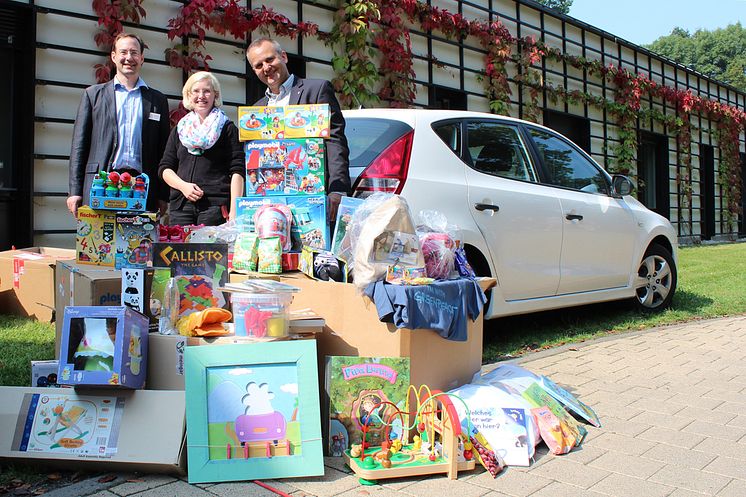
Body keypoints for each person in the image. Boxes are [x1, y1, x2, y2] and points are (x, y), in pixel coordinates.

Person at [246, 37, 351, 222]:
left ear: (284, 57)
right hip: (271, 202)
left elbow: (335, 140)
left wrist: (338, 189)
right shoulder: (257, 110)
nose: (266, 67)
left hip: (315, 196)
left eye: (270, 60)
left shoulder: (317, 89)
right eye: (258, 65)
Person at [67, 33, 170, 217]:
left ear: (142, 58)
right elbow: (79, 147)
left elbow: (164, 152)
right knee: (99, 244)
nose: (129, 58)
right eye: (123, 52)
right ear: (113, 57)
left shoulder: (158, 100)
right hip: (101, 187)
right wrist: (75, 191)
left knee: (139, 244)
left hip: (142, 187)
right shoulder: (93, 95)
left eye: (134, 52)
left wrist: (163, 194)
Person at [158, 71, 244, 225]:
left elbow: (238, 170)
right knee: (180, 250)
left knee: (211, 250)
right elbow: (165, 168)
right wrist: (183, 186)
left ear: (215, 95)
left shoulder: (227, 128)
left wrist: (234, 212)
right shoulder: (180, 129)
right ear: (189, 96)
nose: (201, 96)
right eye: (196, 91)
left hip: (215, 207)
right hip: (181, 207)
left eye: (207, 91)